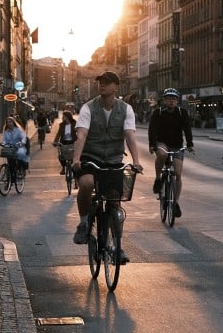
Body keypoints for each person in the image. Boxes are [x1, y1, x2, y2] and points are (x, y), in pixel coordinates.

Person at [70, 71, 144, 264]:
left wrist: (136, 160)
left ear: (116, 87)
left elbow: (129, 135)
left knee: (114, 203)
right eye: (100, 82)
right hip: (91, 156)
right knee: (86, 184)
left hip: (113, 158)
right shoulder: (88, 108)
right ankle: (84, 222)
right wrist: (76, 158)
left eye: (107, 82)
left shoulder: (126, 109)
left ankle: (117, 246)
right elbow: (82, 135)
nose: (102, 85)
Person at [148, 88, 194, 218]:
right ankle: (158, 178)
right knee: (162, 155)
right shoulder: (158, 112)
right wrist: (152, 144)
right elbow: (152, 129)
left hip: (177, 145)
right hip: (162, 143)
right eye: (169, 99)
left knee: (178, 174)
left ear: (177, 101)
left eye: (174, 99)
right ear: (164, 100)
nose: (171, 101)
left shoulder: (181, 112)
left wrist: (190, 144)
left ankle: (176, 203)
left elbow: (187, 128)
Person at [53, 110, 77, 175]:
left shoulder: (74, 123)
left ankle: (74, 170)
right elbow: (59, 134)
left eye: (64, 117)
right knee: (61, 156)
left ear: (68, 117)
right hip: (64, 142)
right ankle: (63, 167)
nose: (63, 118)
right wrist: (55, 141)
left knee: (73, 156)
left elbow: (79, 132)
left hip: (72, 142)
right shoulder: (62, 125)